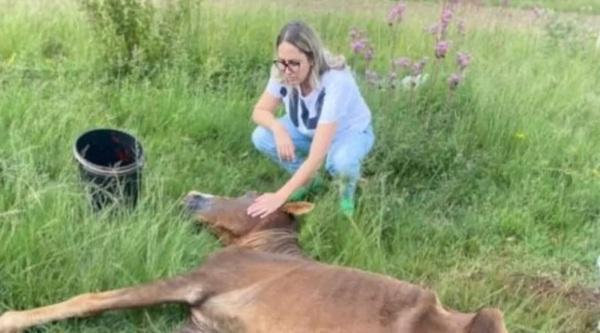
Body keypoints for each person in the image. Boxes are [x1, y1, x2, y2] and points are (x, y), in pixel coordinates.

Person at [247, 21, 375, 218]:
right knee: (262, 136)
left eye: (294, 63)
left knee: (341, 163)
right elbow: (260, 111)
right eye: (282, 62)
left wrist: (280, 196)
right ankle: (311, 182)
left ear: (312, 59)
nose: (287, 70)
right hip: (307, 129)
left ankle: (347, 200)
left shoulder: (336, 82)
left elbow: (316, 156)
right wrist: (278, 129)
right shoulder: (282, 70)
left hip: (346, 134)